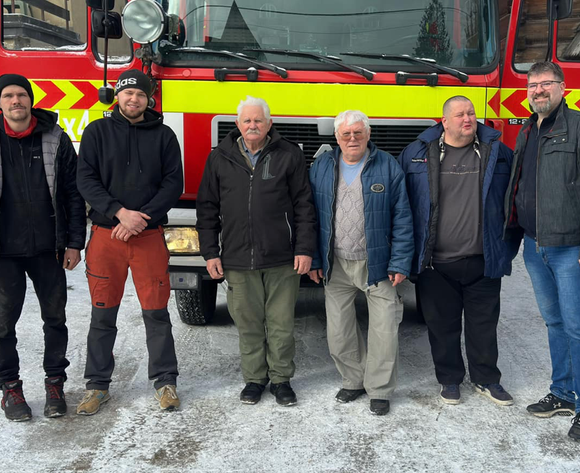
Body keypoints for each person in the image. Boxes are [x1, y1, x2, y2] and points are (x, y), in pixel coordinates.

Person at [0, 73, 86, 421]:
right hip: (3, 252)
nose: (16, 101)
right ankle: (10, 388)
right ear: (0, 102)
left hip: (49, 250)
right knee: (3, 325)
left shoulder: (55, 138)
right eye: (9, 96)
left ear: (31, 99)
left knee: (55, 319)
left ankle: (55, 383)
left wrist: (75, 242)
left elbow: (73, 195)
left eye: (22, 95)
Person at [503, 61, 580, 443]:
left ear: (563, 87)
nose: (538, 91)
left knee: (579, 328)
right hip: (537, 247)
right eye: (532, 85)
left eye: (545, 84)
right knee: (554, 324)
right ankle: (562, 392)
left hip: (572, 251)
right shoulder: (528, 131)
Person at [399, 96, 520, 407]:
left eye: (471, 113)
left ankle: (487, 379)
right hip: (436, 264)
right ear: (444, 121)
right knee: (442, 327)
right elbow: (403, 206)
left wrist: (507, 248)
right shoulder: (415, 154)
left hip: (484, 260)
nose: (468, 119)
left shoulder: (499, 154)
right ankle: (449, 379)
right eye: (460, 114)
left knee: (484, 326)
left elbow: (516, 201)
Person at [75, 69, 184, 415]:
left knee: (156, 312)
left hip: (148, 237)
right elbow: (86, 179)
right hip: (107, 238)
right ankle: (97, 386)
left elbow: (173, 184)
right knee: (102, 313)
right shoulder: (96, 132)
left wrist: (141, 218)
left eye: (140, 94)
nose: (133, 99)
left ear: (148, 99)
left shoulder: (164, 136)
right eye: (127, 93)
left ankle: (166, 381)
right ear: (117, 96)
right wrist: (119, 212)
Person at [196, 96, 316, 407]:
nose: (252, 125)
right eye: (247, 120)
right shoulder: (219, 159)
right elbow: (207, 209)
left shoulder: (289, 155)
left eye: (258, 120)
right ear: (237, 124)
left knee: (280, 325)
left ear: (269, 124)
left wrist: (304, 249)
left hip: (281, 259)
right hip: (236, 258)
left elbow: (304, 205)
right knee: (248, 324)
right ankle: (254, 379)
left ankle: (281, 380)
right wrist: (211, 252)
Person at [308, 110, 413, 416]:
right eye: (345, 134)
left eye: (358, 133)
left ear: (368, 135)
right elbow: (310, 216)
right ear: (336, 138)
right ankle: (353, 380)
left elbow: (403, 218)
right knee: (339, 330)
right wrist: (315, 258)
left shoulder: (387, 166)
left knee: (384, 330)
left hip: (376, 263)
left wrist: (400, 262)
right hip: (336, 263)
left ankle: (379, 389)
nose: (352, 138)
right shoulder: (322, 167)